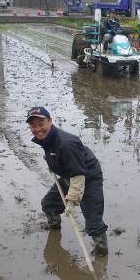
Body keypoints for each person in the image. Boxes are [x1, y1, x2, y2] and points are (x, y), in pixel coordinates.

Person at [26, 106, 108, 255]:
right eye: (33, 125)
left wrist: (71, 201)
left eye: (41, 124)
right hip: (68, 175)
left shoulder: (67, 144)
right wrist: (52, 162)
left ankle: (101, 253)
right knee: (48, 204)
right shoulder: (46, 138)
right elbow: (58, 155)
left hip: (87, 177)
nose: (37, 129)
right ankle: (54, 230)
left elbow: (78, 176)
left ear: (50, 122)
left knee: (93, 221)